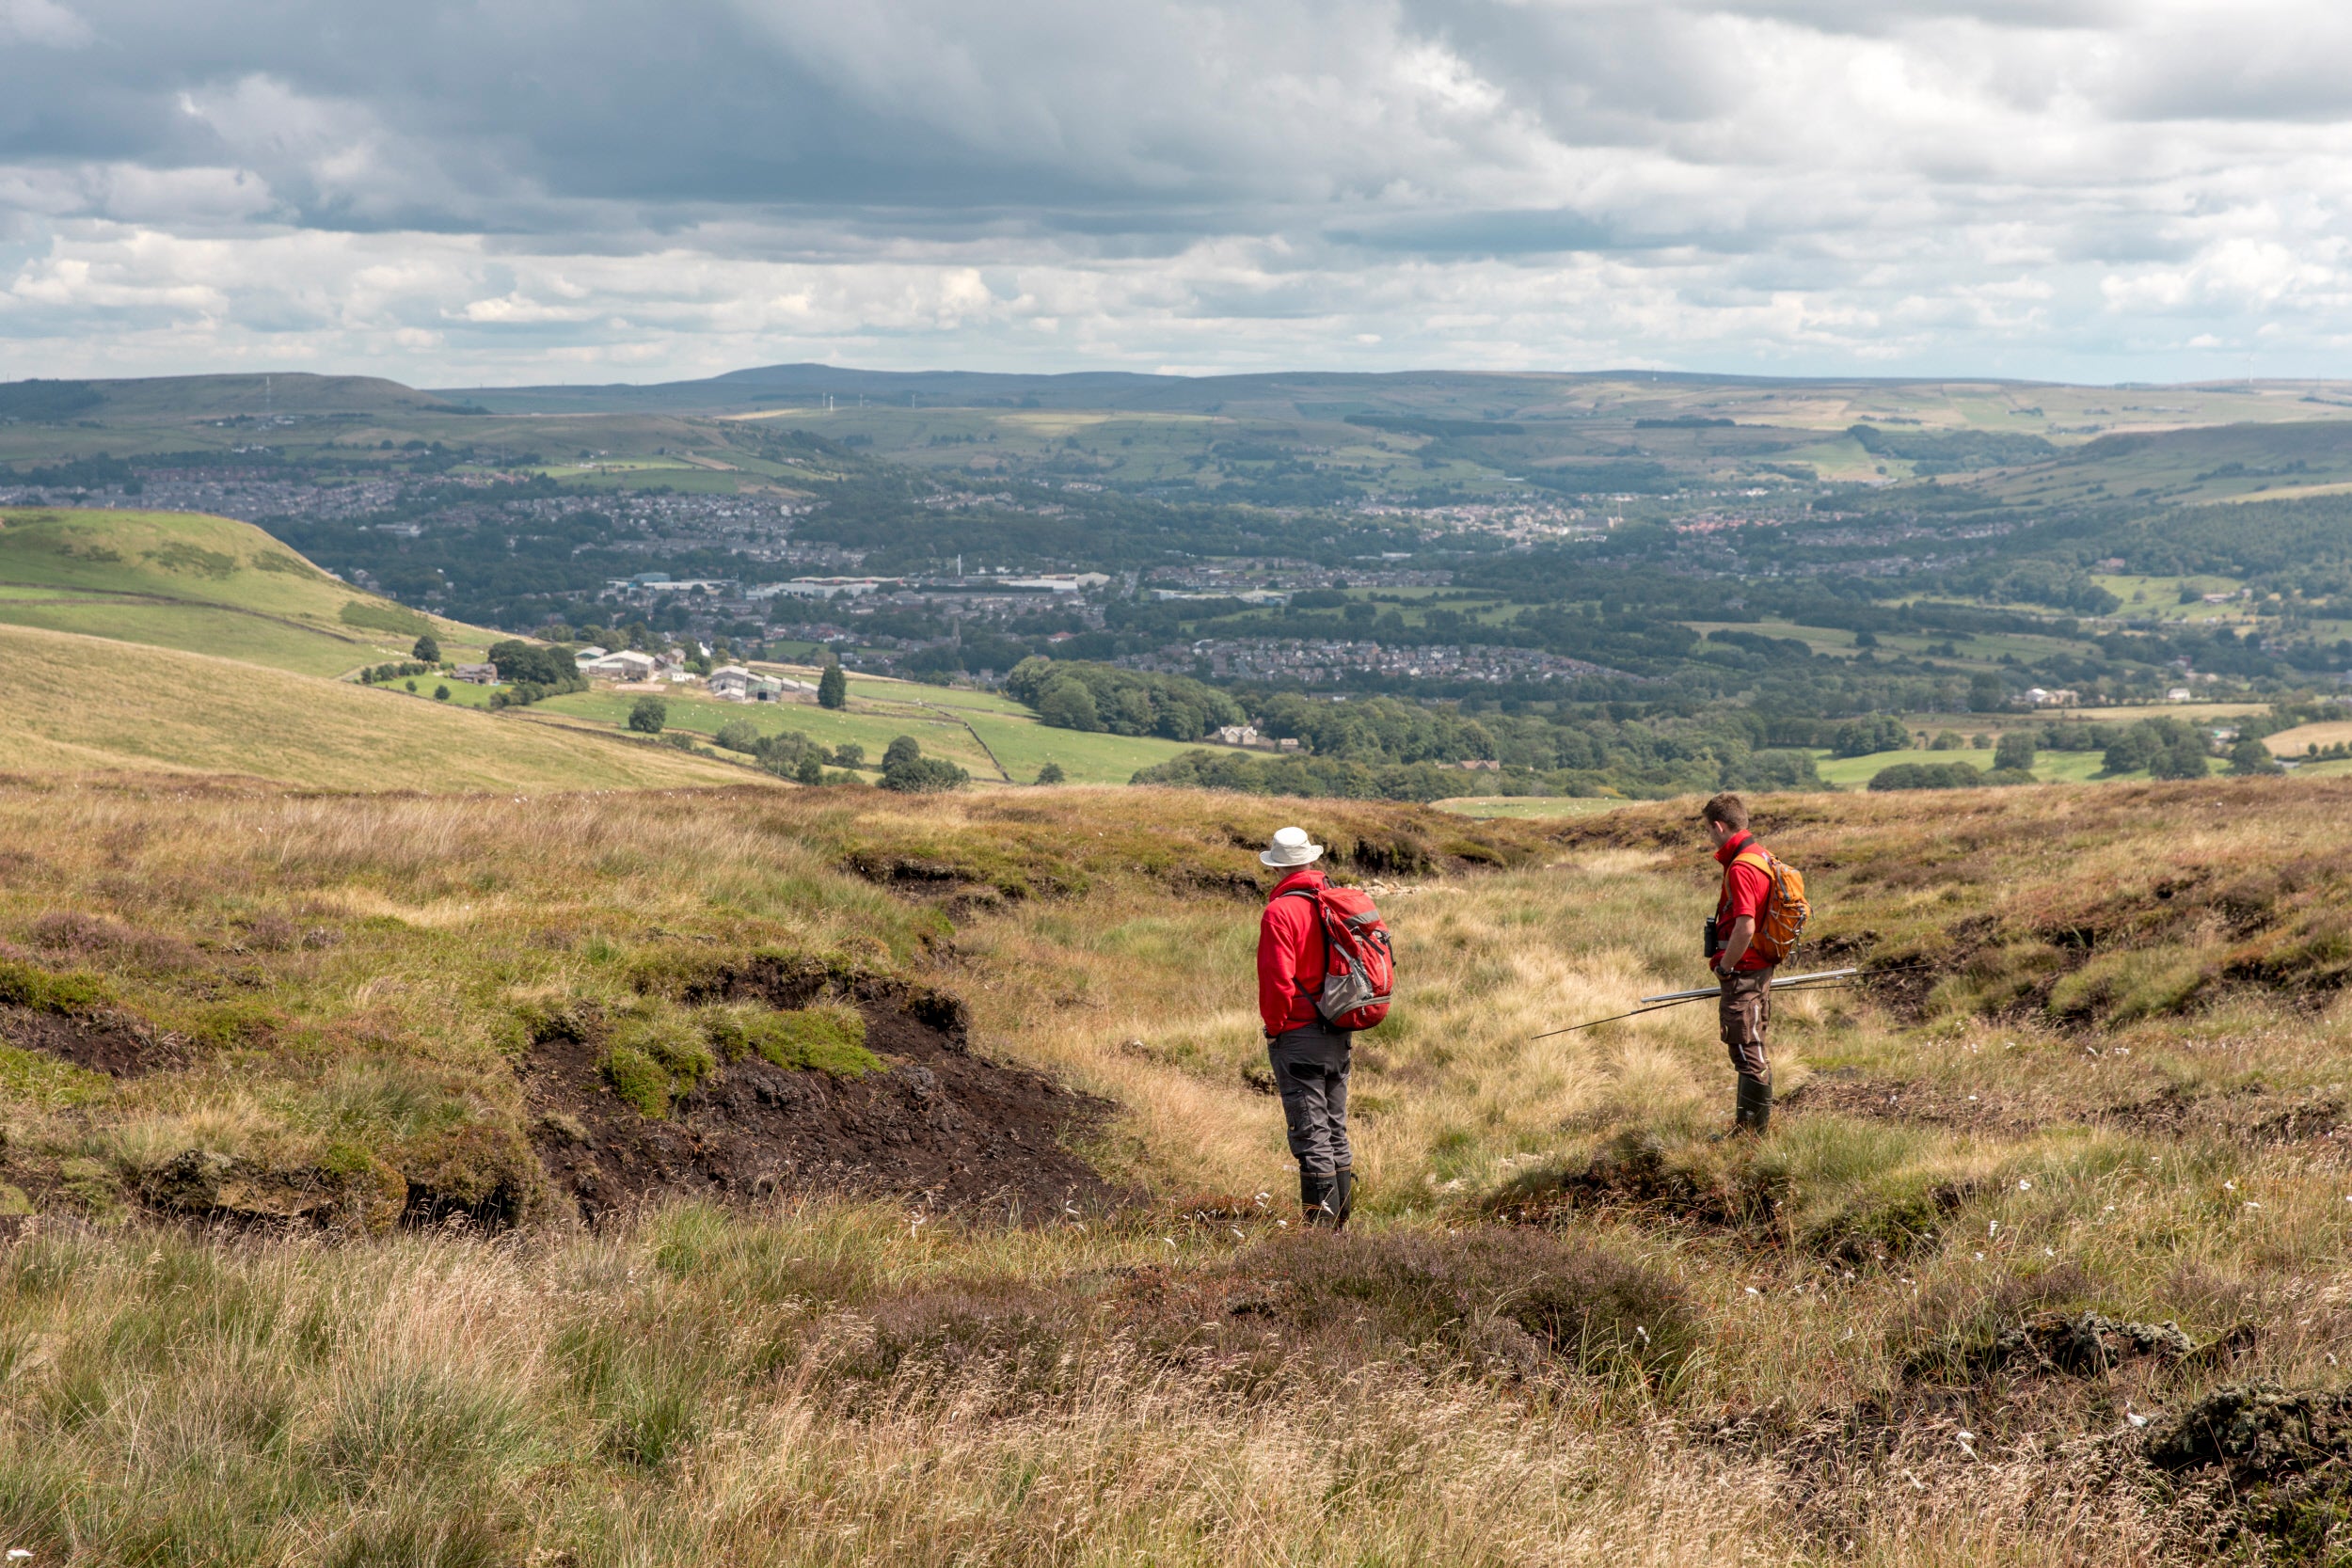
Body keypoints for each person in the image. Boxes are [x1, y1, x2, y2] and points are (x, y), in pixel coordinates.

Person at [1257, 825, 1355, 1227]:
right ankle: (1341, 1232)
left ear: (1278, 867)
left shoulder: (1280, 911)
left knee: (1311, 1137)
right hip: (1339, 1027)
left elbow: (1277, 982)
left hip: (1298, 1034)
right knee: (1335, 1131)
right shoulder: (1333, 900)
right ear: (1311, 859)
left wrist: (1275, 1029)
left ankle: (1320, 1243)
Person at [1702, 793, 1774, 1136]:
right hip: (1757, 966)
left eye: (1709, 831)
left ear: (1719, 826)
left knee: (1746, 1048)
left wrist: (1726, 966)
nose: (1710, 838)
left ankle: (1749, 1137)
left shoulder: (1743, 866)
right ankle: (1748, 1132)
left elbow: (1745, 925)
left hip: (1743, 970)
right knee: (1751, 1043)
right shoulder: (1760, 856)